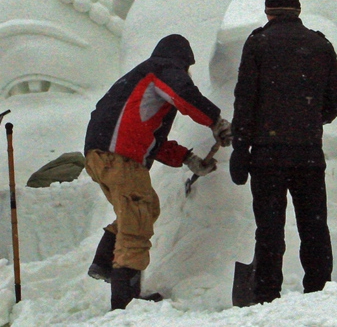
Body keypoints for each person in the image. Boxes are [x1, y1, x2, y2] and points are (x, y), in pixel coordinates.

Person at [84, 32, 231, 310]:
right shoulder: (162, 70)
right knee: (137, 219)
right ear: (182, 61)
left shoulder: (136, 83)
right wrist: (216, 121)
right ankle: (125, 301)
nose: (186, 74)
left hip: (100, 156)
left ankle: (104, 263)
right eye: (187, 68)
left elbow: (151, 140)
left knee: (141, 209)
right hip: (120, 157)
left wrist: (188, 158)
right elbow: (185, 95)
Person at [229, 0, 337, 304]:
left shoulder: (258, 44)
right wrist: (309, 119)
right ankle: (319, 290)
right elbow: (336, 101)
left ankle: (266, 295)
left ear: (268, 9)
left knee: (269, 230)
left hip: (267, 156)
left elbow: (245, 100)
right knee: (314, 227)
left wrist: (241, 147)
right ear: (297, 7)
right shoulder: (319, 45)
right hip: (308, 153)